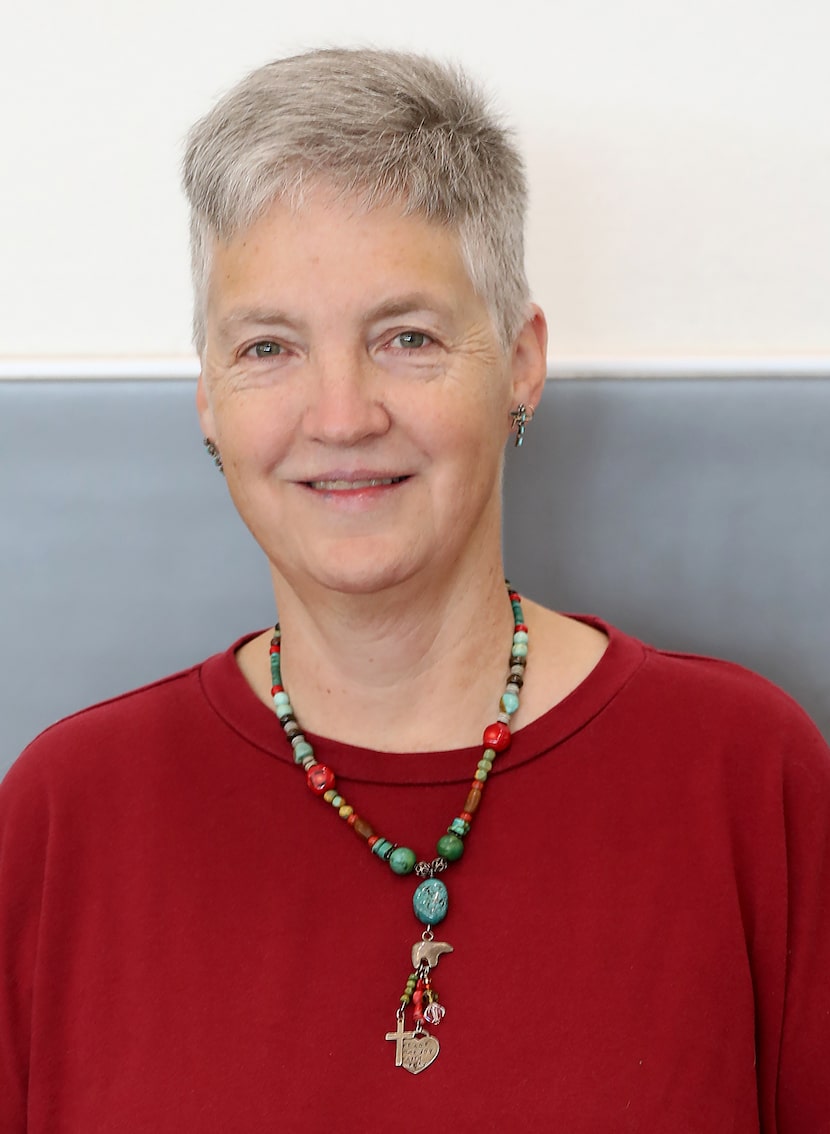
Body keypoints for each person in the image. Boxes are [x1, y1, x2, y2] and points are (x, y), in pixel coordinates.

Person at [1, 48, 828, 1133]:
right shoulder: (67, 813)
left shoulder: (745, 776)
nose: (339, 415)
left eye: (406, 338)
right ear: (208, 396)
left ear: (520, 361)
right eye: (268, 347)